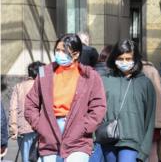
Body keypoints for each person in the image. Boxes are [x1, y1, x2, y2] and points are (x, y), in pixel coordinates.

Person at [24, 33, 107, 162]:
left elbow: (99, 107)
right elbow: (31, 103)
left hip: (78, 136)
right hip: (49, 133)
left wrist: (84, 127)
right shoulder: (44, 72)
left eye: (64, 51)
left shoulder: (90, 76)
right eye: (57, 50)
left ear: (76, 54)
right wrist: (40, 125)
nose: (60, 53)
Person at [101, 39, 156, 162]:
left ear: (135, 60)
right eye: (120, 59)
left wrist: (144, 151)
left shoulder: (145, 84)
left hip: (132, 141)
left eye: (128, 59)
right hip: (108, 139)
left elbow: (150, 118)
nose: (124, 62)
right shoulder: (104, 80)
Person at [9, 61, 45, 162]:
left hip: (23, 129)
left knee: (26, 158)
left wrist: (13, 129)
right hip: (40, 128)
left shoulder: (18, 87)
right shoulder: (44, 87)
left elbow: (13, 109)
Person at [142, 61, 161, 162]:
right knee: (153, 150)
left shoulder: (133, 70)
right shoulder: (153, 70)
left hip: (137, 119)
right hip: (154, 118)